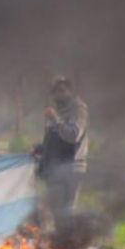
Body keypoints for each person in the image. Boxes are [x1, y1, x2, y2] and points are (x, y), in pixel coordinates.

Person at [32, 76, 89, 225]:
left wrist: (55, 119)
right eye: (55, 91)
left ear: (71, 91)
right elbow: (55, 140)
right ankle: (61, 238)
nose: (58, 94)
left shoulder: (78, 109)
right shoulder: (58, 112)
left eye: (62, 90)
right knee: (55, 212)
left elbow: (73, 135)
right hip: (54, 167)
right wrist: (40, 148)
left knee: (67, 212)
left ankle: (69, 238)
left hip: (71, 166)